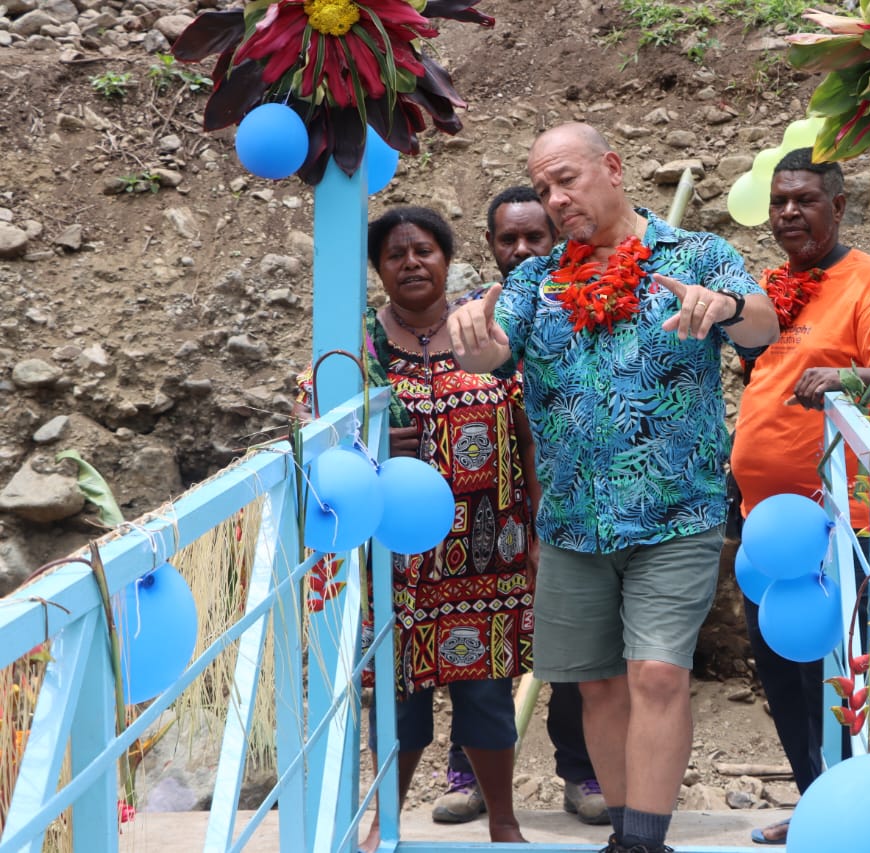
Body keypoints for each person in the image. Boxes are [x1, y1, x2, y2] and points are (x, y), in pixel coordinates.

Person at [447, 123, 780, 853]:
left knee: (658, 673)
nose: (555, 198)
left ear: (614, 168)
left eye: (566, 179)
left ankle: (642, 843)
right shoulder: (535, 280)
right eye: (542, 189)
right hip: (571, 524)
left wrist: (722, 307)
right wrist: (475, 339)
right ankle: (626, 832)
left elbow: (764, 325)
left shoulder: (697, 255)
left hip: (675, 515)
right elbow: (497, 346)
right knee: (595, 683)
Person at [297, 206, 536, 850]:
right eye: (396, 254)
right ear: (377, 269)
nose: (411, 263)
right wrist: (371, 447)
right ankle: (385, 821)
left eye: (424, 250)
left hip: (487, 554)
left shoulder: (486, 331)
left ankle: (505, 823)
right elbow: (311, 444)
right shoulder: (355, 349)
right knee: (399, 700)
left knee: (487, 695)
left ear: (448, 259)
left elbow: (530, 434)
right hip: (391, 563)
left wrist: (537, 530)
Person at [729, 147, 870, 845]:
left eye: (804, 199)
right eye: (779, 201)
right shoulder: (772, 285)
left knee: (844, 671)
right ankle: (816, 802)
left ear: (838, 206)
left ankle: (861, 812)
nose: (788, 212)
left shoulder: (868, 278)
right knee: (781, 669)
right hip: (765, 525)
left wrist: (842, 378)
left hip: (847, 521)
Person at [433, 186, 609, 828]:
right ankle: (468, 775)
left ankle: (581, 772)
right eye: (509, 239)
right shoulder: (465, 318)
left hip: (564, 508)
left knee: (572, 646)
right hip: (476, 517)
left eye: (536, 237)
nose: (522, 249)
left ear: (558, 240)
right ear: (490, 246)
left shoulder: (587, 310)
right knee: (476, 642)